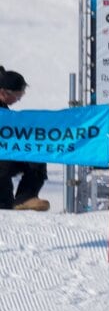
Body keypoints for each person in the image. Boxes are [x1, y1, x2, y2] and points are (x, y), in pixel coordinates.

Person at [0, 69, 48, 211]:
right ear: (3, 92)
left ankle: (25, 197)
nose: (18, 100)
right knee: (5, 162)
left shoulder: (4, 109)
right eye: (17, 96)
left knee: (35, 157)